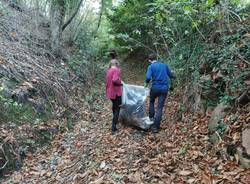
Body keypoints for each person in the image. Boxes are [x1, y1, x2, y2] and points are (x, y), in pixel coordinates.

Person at [144, 53, 175, 133]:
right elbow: (171, 75)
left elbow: (148, 77)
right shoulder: (164, 65)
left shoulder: (150, 67)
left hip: (155, 88)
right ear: (156, 58)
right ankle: (156, 127)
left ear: (149, 60)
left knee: (151, 101)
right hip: (164, 88)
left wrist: (146, 83)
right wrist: (173, 78)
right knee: (159, 108)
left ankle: (151, 118)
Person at [106, 50, 122, 133]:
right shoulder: (115, 70)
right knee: (117, 108)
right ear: (115, 64)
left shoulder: (109, 70)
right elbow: (115, 80)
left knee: (114, 106)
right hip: (116, 93)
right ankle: (114, 126)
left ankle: (114, 120)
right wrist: (121, 83)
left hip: (110, 93)